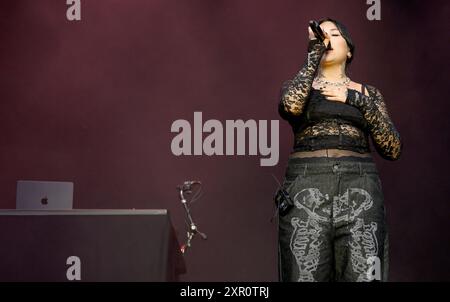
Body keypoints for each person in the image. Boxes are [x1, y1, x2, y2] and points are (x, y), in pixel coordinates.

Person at [277, 17, 403, 282]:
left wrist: (357, 100)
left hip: (359, 184)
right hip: (308, 183)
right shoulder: (298, 86)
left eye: (334, 34)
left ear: (349, 50)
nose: (327, 38)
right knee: (303, 275)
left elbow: (392, 148)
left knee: (364, 274)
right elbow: (290, 106)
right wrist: (314, 52)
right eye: (321, 34)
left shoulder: (368, 93)